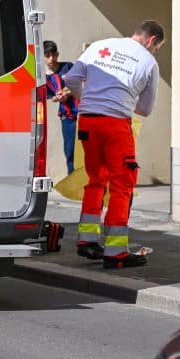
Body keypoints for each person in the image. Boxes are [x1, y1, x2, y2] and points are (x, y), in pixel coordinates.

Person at [57, 20, 165, 269]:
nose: (154, 51)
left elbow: (71, 78)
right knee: (122, 183)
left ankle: (87, 240)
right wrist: (122, 102)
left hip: (88, 122)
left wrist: (89, 99)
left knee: (96, 178)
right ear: (151, 41)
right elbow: (146, 109)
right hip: (115, 124)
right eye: (156, 47)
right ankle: (116, 252)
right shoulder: (148, 62)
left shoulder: (100, 46)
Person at [43, 40, 79, 175]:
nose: (51, 59)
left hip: (81, 111)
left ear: (58, 54)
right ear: (43, 56)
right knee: (69, 149)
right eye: (47, 56)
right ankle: (72, 176)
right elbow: (50, 97)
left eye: (54, 55)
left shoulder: (68, 67)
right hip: (66, 115)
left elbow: (81, 82)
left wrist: (67, 91)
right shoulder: (43, 78)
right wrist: (57, 98)